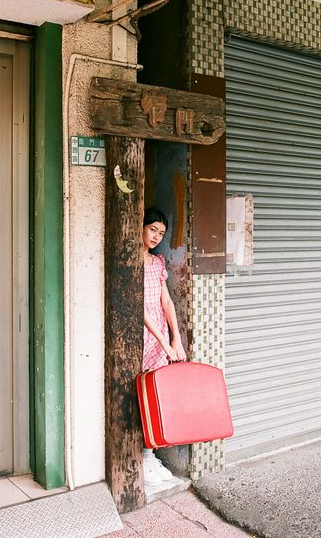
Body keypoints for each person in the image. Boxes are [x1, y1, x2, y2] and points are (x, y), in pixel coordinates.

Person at [142, 206, 186, 486]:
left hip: (160, 339)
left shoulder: (157, 263)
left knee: (155, 396)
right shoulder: (130, 262)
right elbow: (138, 308)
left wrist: (176, 338)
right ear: (141, 227)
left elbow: (166, 303)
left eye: (161, 233)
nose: (156, 236)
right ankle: (142, 457)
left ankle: (150, 454)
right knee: (139, 395)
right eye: (152, 229)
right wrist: (161, 339)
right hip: (143, 336)